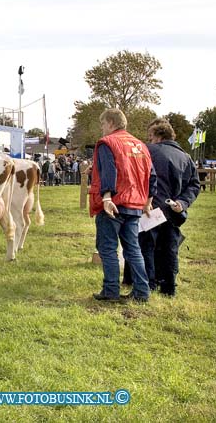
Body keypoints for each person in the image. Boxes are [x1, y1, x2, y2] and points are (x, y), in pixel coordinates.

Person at [89, 108, 156, 303]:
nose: (102, 129)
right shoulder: (141, 145)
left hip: (114, 204)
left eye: (103, 124)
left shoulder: (108, 143)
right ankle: (142, 291)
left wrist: (107, 197)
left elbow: (108, 170)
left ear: (110, 123)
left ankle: (111, 290)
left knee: (108, 248)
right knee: (133, 248)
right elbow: (152, 176)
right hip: (135, 204)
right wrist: (148, 201)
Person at [137, 118, 200, 297]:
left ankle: (148, 284)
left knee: (146, 246)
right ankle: (169, 287)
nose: (149, 140)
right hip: (173, 209)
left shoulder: (149, 152)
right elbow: (194, 185)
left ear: (158, 136)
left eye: (150, 136)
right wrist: (183, 202)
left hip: (150, 207)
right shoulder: (186, 158)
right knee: (170, 248)